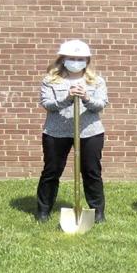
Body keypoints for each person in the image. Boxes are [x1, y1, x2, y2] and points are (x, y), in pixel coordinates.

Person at [36, 39, 108, 223]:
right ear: (63, 59)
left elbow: (100, 105)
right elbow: (47, 104)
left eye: (80, 58)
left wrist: (85, 97)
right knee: (51, 171)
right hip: (56, 132)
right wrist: (67, 98)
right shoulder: (50, 80)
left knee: (92, 172)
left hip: (89, 132)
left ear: (87, 60)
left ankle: (97, 212)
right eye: (72, 58)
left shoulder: (96, 81)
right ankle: (43, 211)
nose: (76, 61)